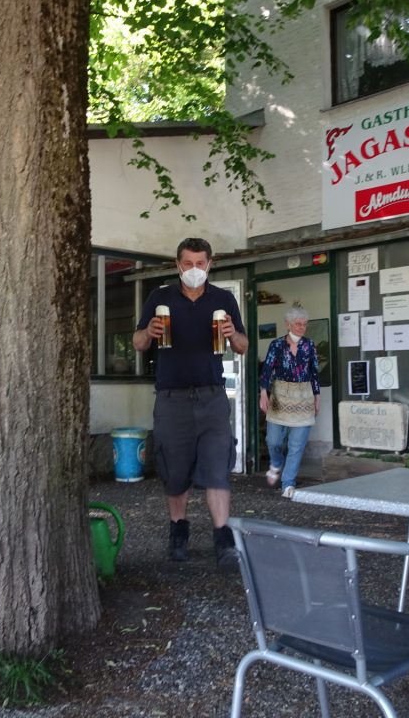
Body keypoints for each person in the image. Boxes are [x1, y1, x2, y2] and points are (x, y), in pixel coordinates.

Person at [133, 237, 248, 571]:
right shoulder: (160, 297)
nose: (194, 270)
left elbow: (242, 345)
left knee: (217, 468)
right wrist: (149, 332)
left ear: (210, 264)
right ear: (177, 264)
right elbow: (138, 342)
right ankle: (178, 532)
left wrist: (231, 333)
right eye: (187, 263)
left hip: (212, 395)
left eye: (200, 263)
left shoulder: (223, 299)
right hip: (172, 397)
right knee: (175, 468)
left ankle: (223, 539)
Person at [258, 306, 320, 499]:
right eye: (298, 324)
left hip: (304, 396)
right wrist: (263, 393)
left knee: (296, 445)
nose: (302, 327)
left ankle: (288, 483)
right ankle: (277, 462)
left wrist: (317, 398)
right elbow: (267, 370)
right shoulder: (276, 345)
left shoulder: (309, 345)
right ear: (288, 325)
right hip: (280, 396)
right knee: (273, 440)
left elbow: (314, 373)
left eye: (304, 324)